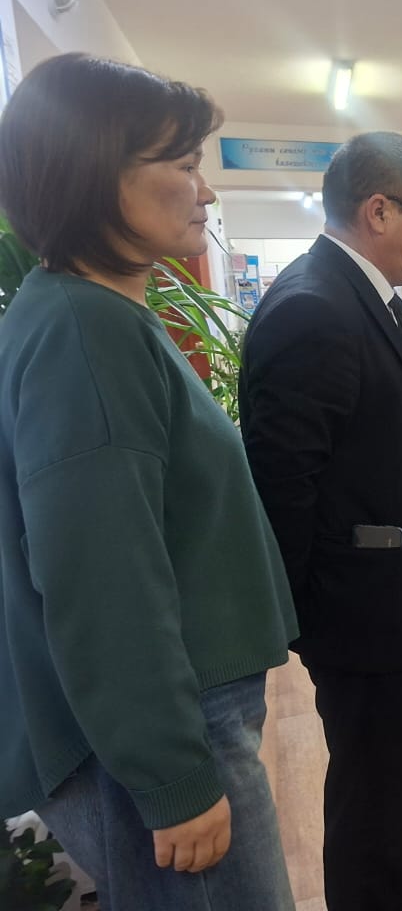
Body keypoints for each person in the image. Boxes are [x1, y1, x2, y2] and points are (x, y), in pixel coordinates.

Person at [0, 53, 297, 909]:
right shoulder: (84, 333)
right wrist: (172, 778)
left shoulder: (95, 311)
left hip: (180, 709)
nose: (205, 191)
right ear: (94, 173)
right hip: (171, 724)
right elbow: (103, 579)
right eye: (184, 163)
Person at [239, 133, 402, 911]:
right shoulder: (314, 309)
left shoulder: (360, 293)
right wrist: (314, 624)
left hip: (392, 599)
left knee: (392, 780)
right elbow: (284, 491)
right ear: (379, 210)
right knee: (373, 789)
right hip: (364, 616)